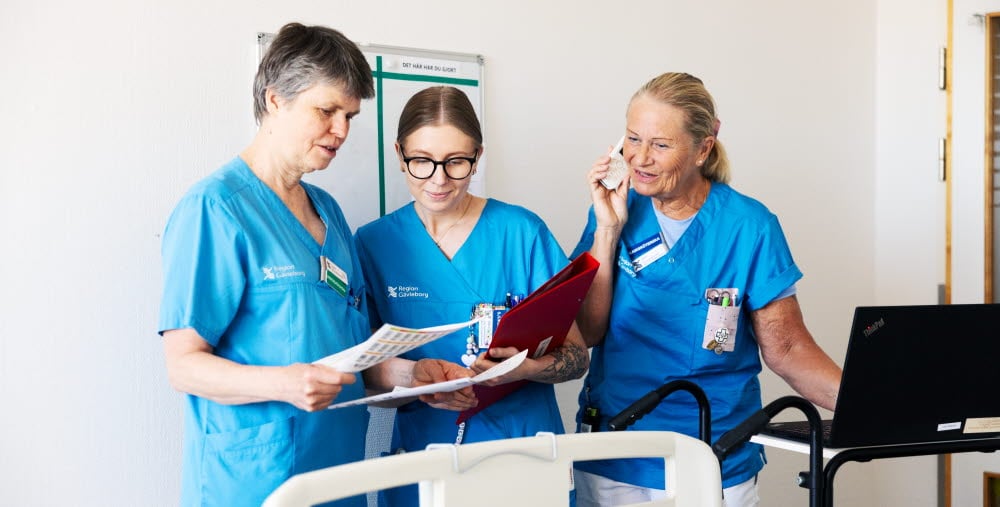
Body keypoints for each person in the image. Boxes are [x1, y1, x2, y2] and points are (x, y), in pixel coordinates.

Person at [157, 23, 473, 507]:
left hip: (337, 474)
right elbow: (184, 367)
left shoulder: (329, 213)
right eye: (327, 111)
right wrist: (283, 383)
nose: (342, 130)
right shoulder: (216, 210)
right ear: (275, 100)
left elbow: (352, 357)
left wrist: (414, 376)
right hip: (255, 480)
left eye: (349, 115)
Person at [571, 72, 843, 507]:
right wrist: (607, 229)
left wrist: (870, 409)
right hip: (615, 451)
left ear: (703, 148)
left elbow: (788, 348)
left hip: (714, 452)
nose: (640, 158)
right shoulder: (613, 210)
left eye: (660, 145)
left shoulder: (749, 227)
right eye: (632, 138)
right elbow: (585, 332)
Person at [354, 85, 590, 507]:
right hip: (423, 457)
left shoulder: (521, 233)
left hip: (524, 452)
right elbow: (363, 367)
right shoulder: (374, 245)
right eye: (422, 161)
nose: (439, 179)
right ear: (399, 153)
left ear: (478, 157)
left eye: (457, 162)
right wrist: (415, 377)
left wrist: (526, 369)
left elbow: (576, 358)